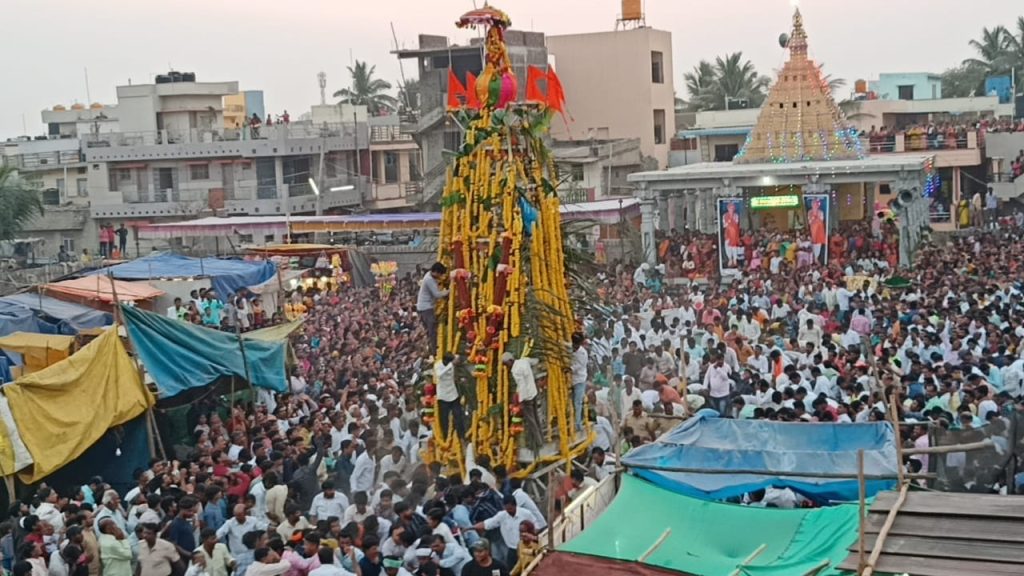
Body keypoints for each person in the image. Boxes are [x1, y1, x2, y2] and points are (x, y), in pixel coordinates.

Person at [471, 496, 537, 568]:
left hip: (526, 548)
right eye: (507, 509)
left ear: (515, 505)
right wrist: (470, 528)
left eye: (510, 509)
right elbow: (488, 523)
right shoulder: (502, 515)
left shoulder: (526, 513)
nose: (509, 511)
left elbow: (536, 528)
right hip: (512, 550)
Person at [502, 353, 543, 450]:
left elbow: (522, 385)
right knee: (536, 418)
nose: (506, 366)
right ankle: (541, 439)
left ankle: (538, 442)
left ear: (510, 361)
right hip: (533, 393)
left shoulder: (516, 370)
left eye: (506, 363)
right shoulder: (524, 361)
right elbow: (535, 361)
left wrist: (519, 401)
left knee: (531, 421)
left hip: (527, 398)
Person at [416, 262, 449, 352]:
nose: (440, 276)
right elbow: (437, 294)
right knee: (432, 330)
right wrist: (448, 291)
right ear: (436, 272)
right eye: (440, 274)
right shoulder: (429, 279)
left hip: (424, 307)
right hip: (426, 308)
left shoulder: (429, 275)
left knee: (430, 330)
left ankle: (432, 349)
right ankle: (435, 351)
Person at [434, 352, 466, 439]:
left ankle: (461, 435)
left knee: (458, 415)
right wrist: (450, 365)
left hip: (453, 394)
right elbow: (439, 375)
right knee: (444, 419)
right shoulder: (438, 365)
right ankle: (446, 436)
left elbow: (458, 358)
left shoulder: (452, 364)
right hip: (443, 396)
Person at [570, 332, 588, 432]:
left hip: (579, 380)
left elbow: (578, 366)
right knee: (572, 402)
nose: (574, 346)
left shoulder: (583, 353)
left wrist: (569, 368)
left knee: (578, 402)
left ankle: (578, 424)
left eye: (576, 344)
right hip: (570, 380)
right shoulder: (570, 348)